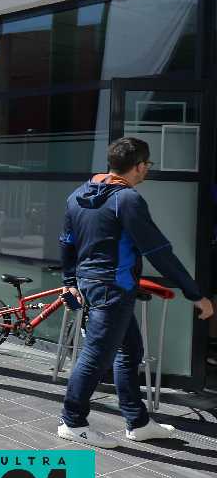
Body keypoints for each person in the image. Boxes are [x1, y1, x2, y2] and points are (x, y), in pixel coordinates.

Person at [58, 137, 214, 448]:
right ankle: (72, 421)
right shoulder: (127, 199)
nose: (147, 170)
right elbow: (158, 251)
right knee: (95, 356)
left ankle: (138, 422)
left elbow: (66, 242)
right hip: (112, 290)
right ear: (139, 166)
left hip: (94, 285)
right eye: (148, 165)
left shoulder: (77, 195)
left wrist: (69, 280)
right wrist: (195, 293)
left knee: (129, 351)